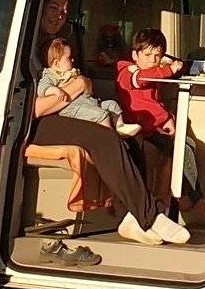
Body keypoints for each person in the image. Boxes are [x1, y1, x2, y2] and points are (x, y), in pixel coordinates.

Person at [27, 25, 186, 247]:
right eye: (54, 8)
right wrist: (78, 85)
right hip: (35, 122)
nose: (60, 14)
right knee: (104, 136)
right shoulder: (29, 48)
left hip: (69, 110)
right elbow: (36, 109)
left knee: (135, 139)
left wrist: (83, 84)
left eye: (63, 10)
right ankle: (150, 215)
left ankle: (129, 217)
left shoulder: (60, 43)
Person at [117, 28, 205, 223]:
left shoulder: (150, 70)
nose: (153, 60)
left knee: (189, 145)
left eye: (157, 56)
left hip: (154, 128)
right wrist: (169, 70)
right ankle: (199, 201)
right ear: (134, 55)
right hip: (141, 130)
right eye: (147, 55)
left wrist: (167, 118)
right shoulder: (126, 71)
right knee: (182, 148)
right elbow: (141, 80)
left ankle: (187, 197)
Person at [40, 35, 138, 134]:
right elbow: (42, 87)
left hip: (89, 103)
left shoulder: (72, 72)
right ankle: (108, 135)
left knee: (112, 104)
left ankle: (120, 126)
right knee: (101, 115)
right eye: (69, 58)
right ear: (57, 63)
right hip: (73, 108)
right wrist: (56, 91)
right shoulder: (50, 75)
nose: (73, 60)